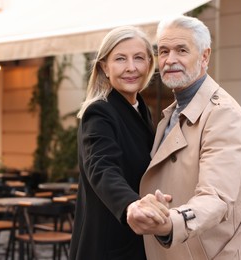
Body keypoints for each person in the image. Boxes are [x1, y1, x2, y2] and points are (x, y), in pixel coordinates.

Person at [127, 15, 241, 259]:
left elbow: (216, 197)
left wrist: (171, 223)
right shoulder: (172, 113)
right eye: (164, 51)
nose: (170, 60)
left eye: (181, 50)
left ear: (204, 56)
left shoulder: (223, 114)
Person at [69, 25, 171, 260]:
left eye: (138, 58)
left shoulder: (140, 108)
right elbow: (101, 167)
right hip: (108, 244)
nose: (131, 68)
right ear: (105, 66)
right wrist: (130, 204)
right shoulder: (99, 111)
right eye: (120, 59)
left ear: (149, 63)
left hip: (134, 241)